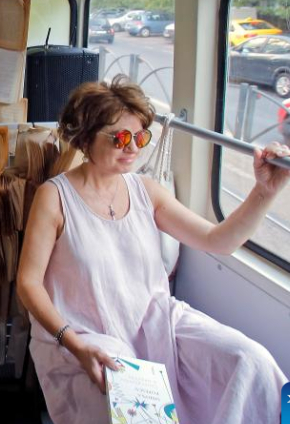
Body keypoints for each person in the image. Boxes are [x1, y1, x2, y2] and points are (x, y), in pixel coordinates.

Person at [16, 76, 290, 424]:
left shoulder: (146, 190)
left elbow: (217, 240)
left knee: (250, 360)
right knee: (142, 416)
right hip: (84, 334)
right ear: (85, 138)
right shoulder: (54, 198)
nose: (134, 148)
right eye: (121, 138)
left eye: (141, 137)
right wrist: (72, 342)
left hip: (154, 320)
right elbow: (28, 284)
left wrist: (263, 193)